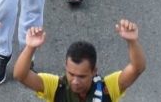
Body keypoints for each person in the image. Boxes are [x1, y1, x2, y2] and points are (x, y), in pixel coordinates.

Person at [14, 22, 146, 102]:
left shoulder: (108, 88)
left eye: (82, 76)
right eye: (71, 74)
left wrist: (132, 41)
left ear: (94, 71)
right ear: (66, 66)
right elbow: (21, 75)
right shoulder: (56, 87)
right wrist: (30, 47)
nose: (75, 81)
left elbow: (137, 68)